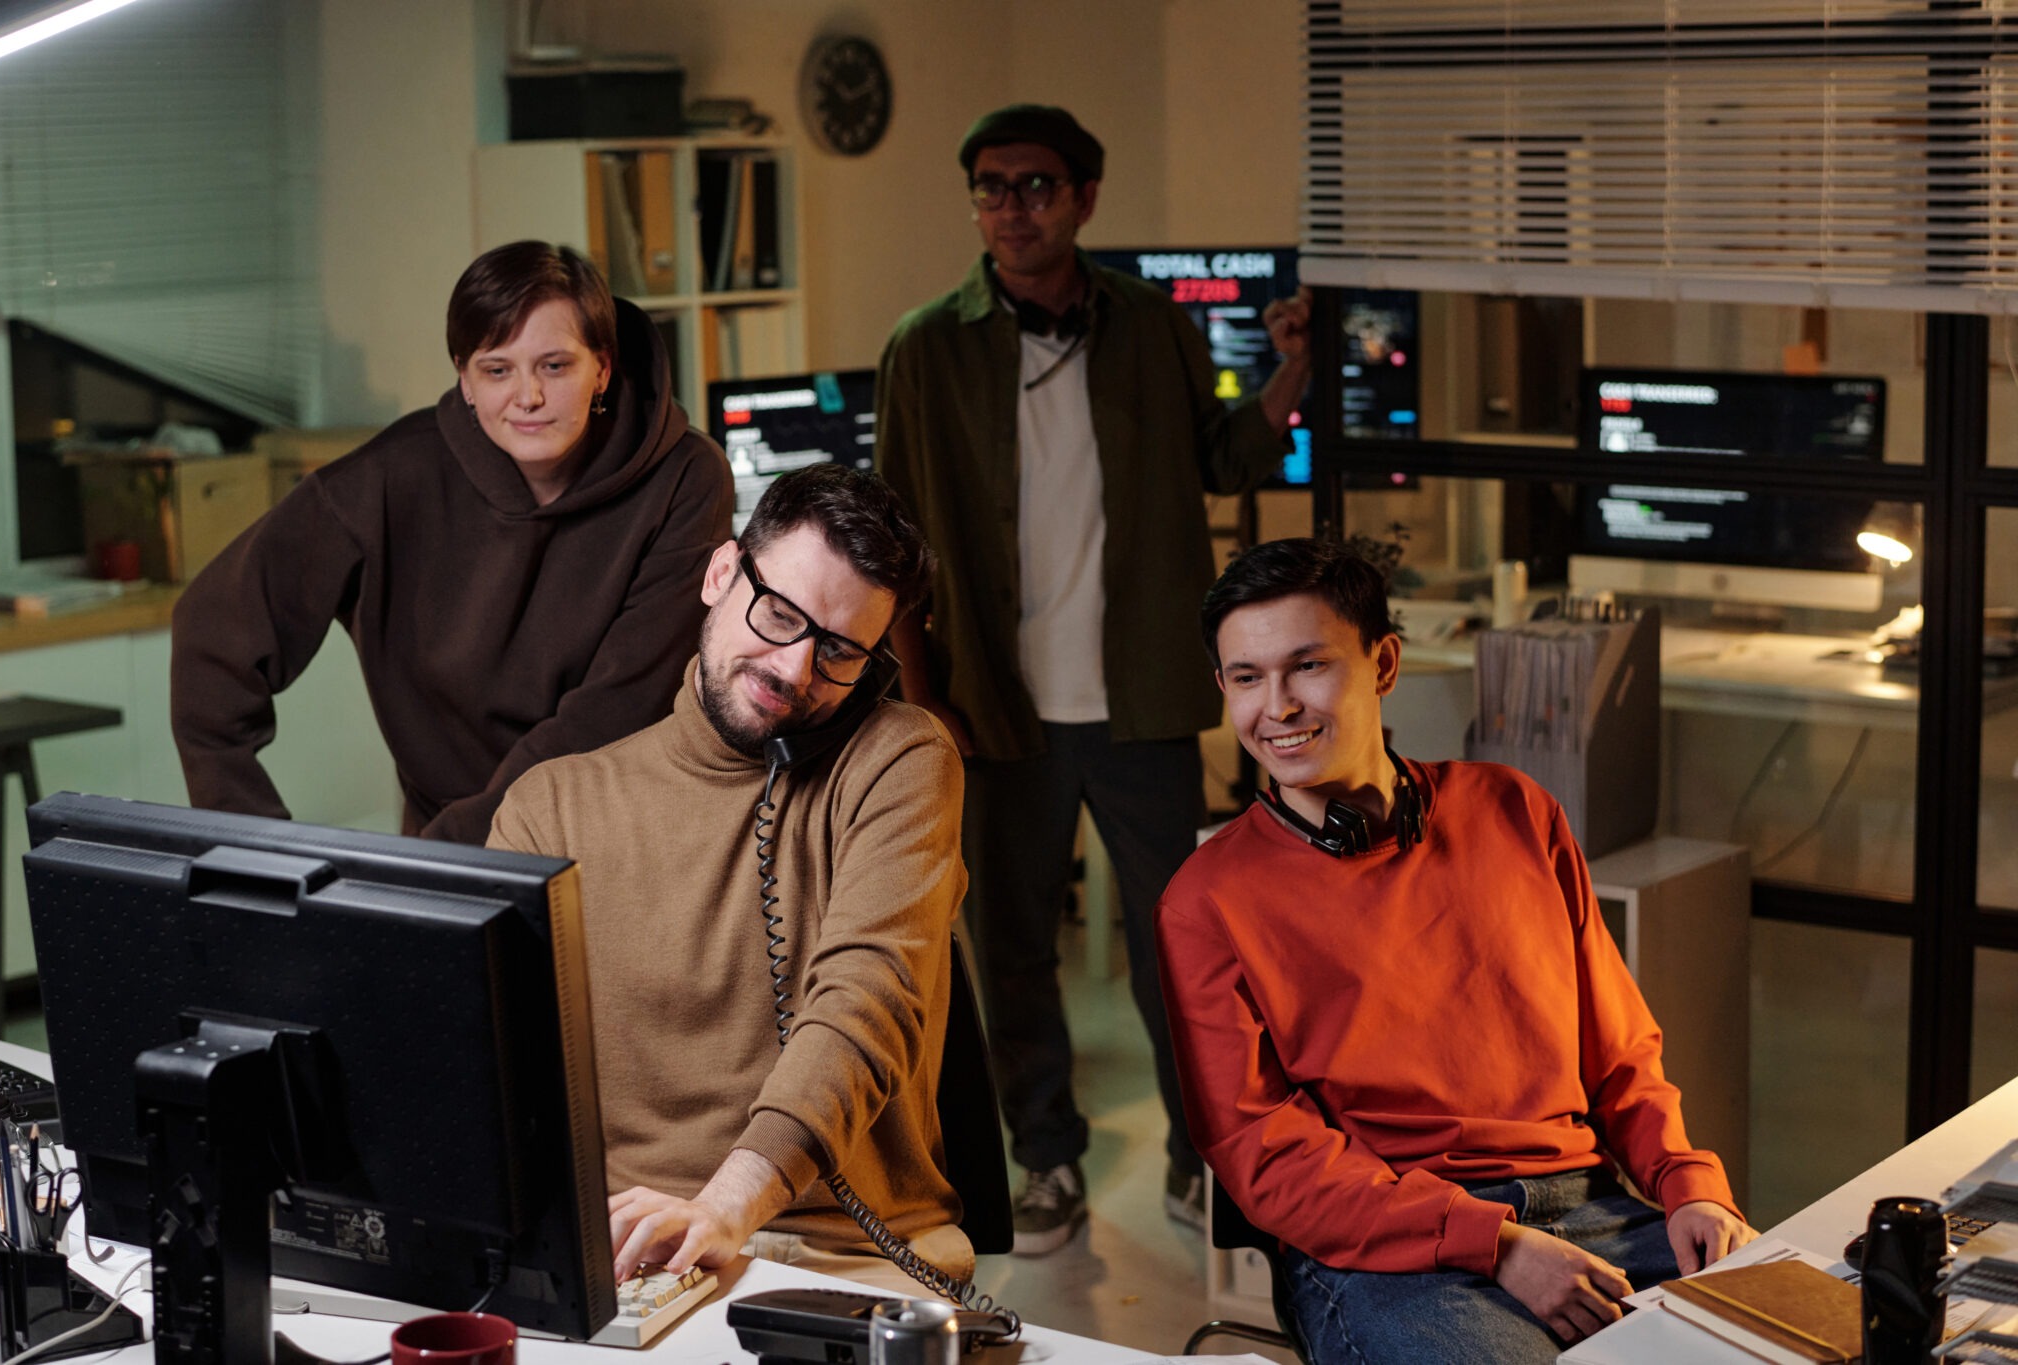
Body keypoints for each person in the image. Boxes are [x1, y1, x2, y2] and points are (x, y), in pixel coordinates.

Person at [875, 102, 1312, 1252]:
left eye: (1033, 186)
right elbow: (889, 536)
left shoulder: (1155, 329)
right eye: (989, 187)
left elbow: (1224, 462)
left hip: (1141, 704)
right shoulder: (926, 347)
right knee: (1011, 955)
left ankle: (1199, 1159)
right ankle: (1047, 1161)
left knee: (1186, 953)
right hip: (995, 712)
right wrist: (925, 702)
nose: (1009, 208)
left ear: (1083, 199)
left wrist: (1290, 371)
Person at [1155, 537, 1756, 1364]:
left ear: (1385, 663)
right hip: (1392, 1253)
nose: (1279, 706)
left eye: (1308, 666)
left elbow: (1620, 1054)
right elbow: (1266, 1156)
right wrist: (1496, 1244)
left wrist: (1689, 1186)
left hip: (1595, 1212)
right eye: (1248, 678)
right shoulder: (1204, 899)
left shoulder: (1518, 810)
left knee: (1819, 1334)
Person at [488, 464, 970, 1295]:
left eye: (841, 650)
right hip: (627, 1255)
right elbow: (489, 1069)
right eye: (779, 613)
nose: (793, 667)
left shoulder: (901, 759)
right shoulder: (551, 807)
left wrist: (726, 1206)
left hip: (836, 1257)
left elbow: (868, 1000)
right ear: (721, 573)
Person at [172, 240, 734, 844]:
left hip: (617, 832)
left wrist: (448, 859)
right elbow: (215, 633)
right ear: (464, 379)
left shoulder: (685, 478)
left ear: (601, 366)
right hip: (447, 846)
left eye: (554, 365)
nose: (528, 397)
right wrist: (251, 840)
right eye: (497, 370)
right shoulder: (391, 477)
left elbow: (616, 711)